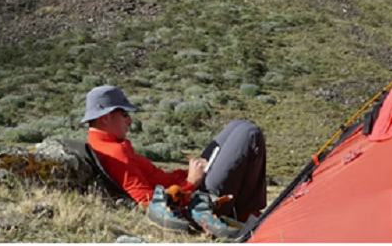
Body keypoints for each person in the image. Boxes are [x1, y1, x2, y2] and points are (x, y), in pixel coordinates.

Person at [82, 85, 267, 237]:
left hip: (188, 189)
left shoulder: (108, 145)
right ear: (105, 118)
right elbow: (147, 202)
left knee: (238, 126)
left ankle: (245, 213)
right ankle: (245, 216)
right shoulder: (115, 153)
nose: (129, 121)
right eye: (124, 114)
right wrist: (191, 182)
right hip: (196, 201)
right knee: (249, 133)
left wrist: (184, 175)